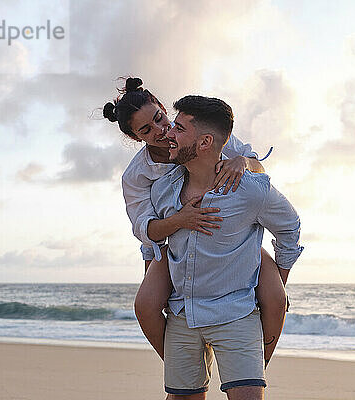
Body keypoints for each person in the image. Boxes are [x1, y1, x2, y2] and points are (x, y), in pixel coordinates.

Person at [102, 78, 288, 366]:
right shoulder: (137, 175)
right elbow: (146, 231)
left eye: (159, 118)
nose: (161, 130)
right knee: (147, 305)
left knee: (277, 298)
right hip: (170, 242)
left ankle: (255, 366)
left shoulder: (197, 130)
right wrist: (180, 219)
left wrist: (242, 161)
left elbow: (257, 168)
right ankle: (188, 369)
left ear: (163, 108)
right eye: (146, 130)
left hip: (227, 237)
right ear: (137, 138)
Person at [153, 95, 303, 399]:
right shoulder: (163, 189)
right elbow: (152, 242)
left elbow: (290, 229)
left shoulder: (251, 190)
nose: (169, 133)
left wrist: (277, 279)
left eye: (179, 129)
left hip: (236, 314)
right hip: (182, 316)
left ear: (205, 141)